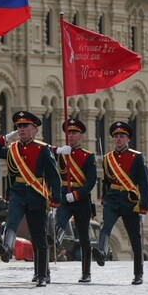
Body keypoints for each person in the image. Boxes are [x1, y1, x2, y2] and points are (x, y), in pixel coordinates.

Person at [0, 111, 61, 287]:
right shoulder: (12, 149)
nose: (21, 130)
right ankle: (6, 248)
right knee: (12, 220)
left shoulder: (43, 149)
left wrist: (56, 198)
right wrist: (7, 137)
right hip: (17, 193)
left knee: (38, 235)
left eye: (25, 127)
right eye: (19, 127)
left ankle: (41, 273)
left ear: (34, 130)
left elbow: (54, 176)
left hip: (36, 194)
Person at [92, 121, 148, 285]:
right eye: (116, 136)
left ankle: (138, 273)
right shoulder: (107, 158)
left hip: (130, 201)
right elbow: (107, 180)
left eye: (121, 136)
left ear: (128, 139)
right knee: (105, 226)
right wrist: (104, 197)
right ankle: (102, 252)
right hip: (112, 199)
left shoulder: (137, 157)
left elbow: (144, 183)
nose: (118, 139)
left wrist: (144, 206)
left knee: (134, 238)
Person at [51, 118, 97, 283]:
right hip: (64, 195)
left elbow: (91, 181)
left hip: (81, 199)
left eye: (74, 132)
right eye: (69, 132)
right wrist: (58, 150)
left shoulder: (88, 156)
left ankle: (86, 272)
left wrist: (77, 194)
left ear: (81, 135)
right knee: (61, 220)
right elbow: (44, 151)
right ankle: (56, 239)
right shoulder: (62, 154)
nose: (71, 135)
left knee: (84, 236)